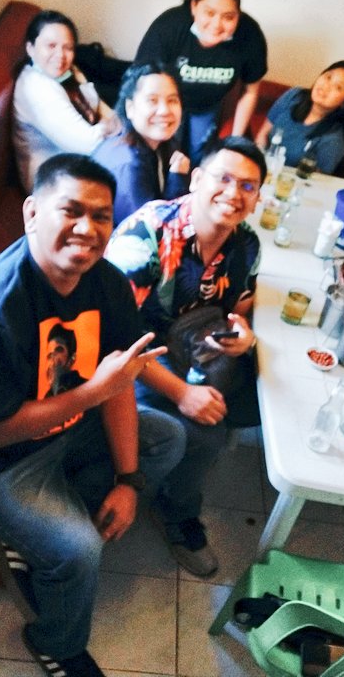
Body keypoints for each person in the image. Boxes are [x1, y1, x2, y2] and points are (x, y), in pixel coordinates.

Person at [0, 154, 185, 677]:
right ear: (31, 214)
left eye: (102, 216)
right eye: (71, 211)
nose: (87, 229)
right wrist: (94, 393)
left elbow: (117, 385)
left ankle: (40, 532)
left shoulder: (107, 284)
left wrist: (128, 481)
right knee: (78, 551)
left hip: (64, 429)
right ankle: (55, 644)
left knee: (167, 437)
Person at [105, 136, 264, 577]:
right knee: (207, 432)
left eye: (247, 186)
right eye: (223, 178)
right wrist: (181, 393)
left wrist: (242, 330)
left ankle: (180, 471)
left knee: (258, 402)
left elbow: (240, 301)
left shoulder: (247, 242)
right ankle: (176, 511)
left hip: (193, 342)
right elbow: (115, 339)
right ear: (195, 180)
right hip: (131, 354)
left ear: (257, 198)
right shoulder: (146, 235)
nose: (233, 193)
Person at [134, 0, 268, 162]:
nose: (216, 24)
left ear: (238, 16)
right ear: (194, 6)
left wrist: (234, 142)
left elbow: (250, 91)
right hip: (167, 102)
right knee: (163, 156)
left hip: (207, 106)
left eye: (228, 17)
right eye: (210, 13)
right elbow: (140, 80)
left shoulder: (250, 35)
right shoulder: (170, 26)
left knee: (199, 158)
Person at [13, 10, 121, 191]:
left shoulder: (66, 72)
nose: (60, 55)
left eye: (68, 48)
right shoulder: (36, 89)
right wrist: (115, 126)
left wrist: (118, 123)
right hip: (53, 183)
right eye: (51, 46)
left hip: (79, 163)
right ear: (30, 48)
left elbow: (98, 107)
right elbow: (89, 144)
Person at [91, 62, 191, 225]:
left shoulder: (159, 144)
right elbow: (149, 231)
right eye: (152, 100)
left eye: (172, 100)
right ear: (130, 108)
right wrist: (177, 180)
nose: (164, 110)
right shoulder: (128, 163)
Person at [255, 60, 344, 175]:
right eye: (328, 77)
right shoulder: (294, 95)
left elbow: (316, 179)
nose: (326, 86)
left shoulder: (334, 140)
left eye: (338, 87)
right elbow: (262, 135)